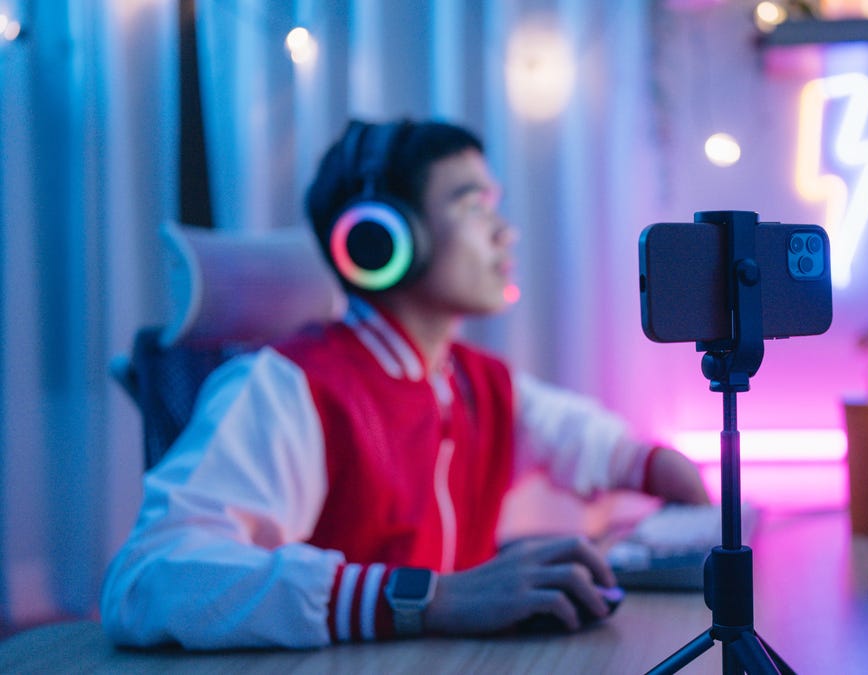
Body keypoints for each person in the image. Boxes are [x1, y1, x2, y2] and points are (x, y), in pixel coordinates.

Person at [99, 118, 709, 650]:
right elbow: (151, 574)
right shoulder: (287, 387)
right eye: (473, 207)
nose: (504, 231)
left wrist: (652, 466)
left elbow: (578, 435)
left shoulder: (473, 381)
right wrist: (427, 599)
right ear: (380, 239)